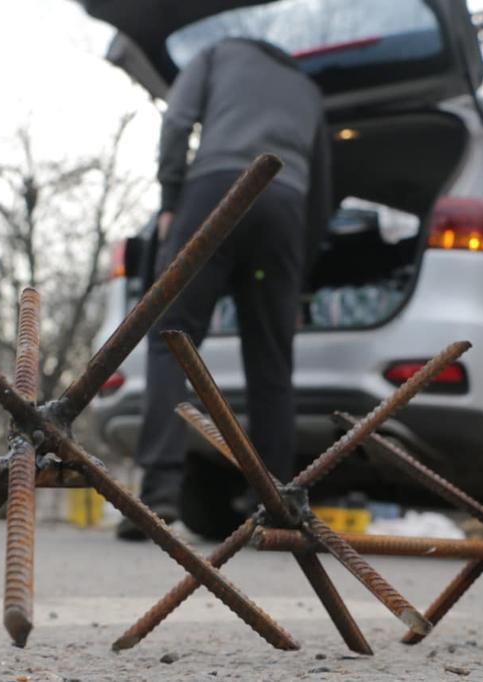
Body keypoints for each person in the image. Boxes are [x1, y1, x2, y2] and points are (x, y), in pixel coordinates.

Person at [118, 37, 331, 540]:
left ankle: (159, 493)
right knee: (272, 361)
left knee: (171, 335)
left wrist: (172, 196)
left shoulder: (216, 53)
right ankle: (275, 499)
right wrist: (301, 269)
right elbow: (323, 189)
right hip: (286, 206)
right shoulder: (308, 89)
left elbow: (177, 121)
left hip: (217, 189)